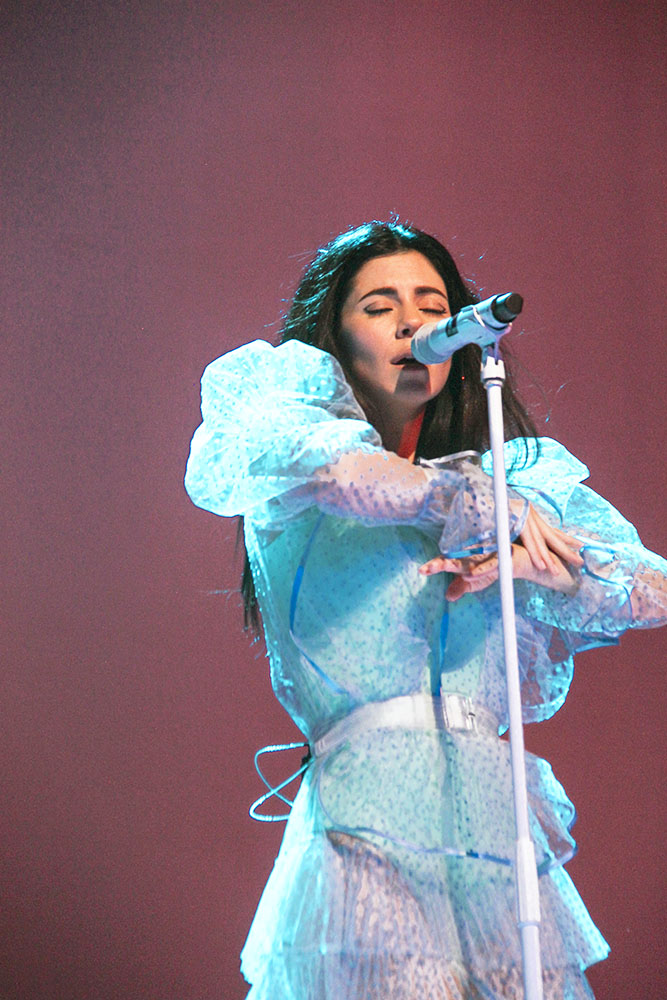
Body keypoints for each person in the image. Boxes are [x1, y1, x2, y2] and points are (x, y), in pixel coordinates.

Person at [184, 221, 666, 999]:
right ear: (333, 333)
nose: (413, 325)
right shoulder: (289, 435)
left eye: (431, 303)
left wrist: (541, 565)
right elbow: (354, 478)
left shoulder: (513, 481)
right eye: (379, 306)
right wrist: (481, 507)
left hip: (490, 827)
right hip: (366, 816)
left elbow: (651, 588)